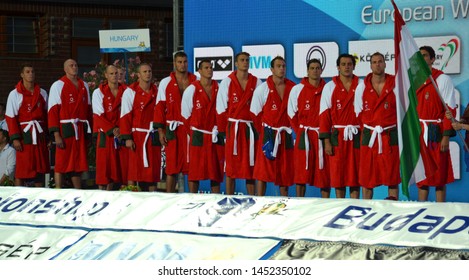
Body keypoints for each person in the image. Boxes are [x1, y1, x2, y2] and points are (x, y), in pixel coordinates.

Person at [354, 52, 400, 200]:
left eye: (380, 61)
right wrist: (370, 128)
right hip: (370, 135)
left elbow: (402, 110)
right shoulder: (362, 87)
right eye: (374, 62)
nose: (377, 64)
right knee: (367, 178)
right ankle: (367, 212)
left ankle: (393, 210)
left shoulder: (395, 84)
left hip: (389, 135)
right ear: (370, 65)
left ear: (385, 64)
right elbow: (358, 112)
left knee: (392, 178)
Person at [217, 52, 262, 195]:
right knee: (231, 167)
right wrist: (224, 132)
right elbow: (221, 108)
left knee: (250, 165)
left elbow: (260, 107)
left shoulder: (257, 82)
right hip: (233, 129)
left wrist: (259, 129)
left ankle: (252, 198)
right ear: (236, 63)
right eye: (242, 60)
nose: (245, 62)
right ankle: (229, 198)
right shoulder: (227, 82)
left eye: (247, 60)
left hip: (250, 128)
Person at [319, 54, 363, 199]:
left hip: (357, 136)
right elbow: (324, 115)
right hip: (337, 137)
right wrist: (326, 141)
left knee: (355, 175)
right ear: (338, 67)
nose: (346, 67)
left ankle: (356, 206)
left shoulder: (362, 85)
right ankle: (340, 206)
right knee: (339, 175)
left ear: (354, 66)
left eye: (349, 64)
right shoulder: (329, 87)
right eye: (343, 64)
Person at [250, 56, 296, 196]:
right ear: (271, 69)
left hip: (285, 133)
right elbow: (254, 113)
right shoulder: (262, 89)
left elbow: (296, 111)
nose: (282, 69)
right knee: (263, 171)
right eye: (278, 66)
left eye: (283, 66)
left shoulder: (292, 88)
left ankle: (284, 201)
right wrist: (265, 132)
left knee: (285, 170)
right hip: (268, 132)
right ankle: (259, 200)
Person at [416, 46, 456, 202]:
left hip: (437, 132)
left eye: (425, 56)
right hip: (419, 132)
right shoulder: (414, 80)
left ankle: (441, 210)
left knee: (439, 176)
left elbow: (450, 109)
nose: (422, 59)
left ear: (432, 59)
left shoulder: (442, 79)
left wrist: (446, 136)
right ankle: (421, 210)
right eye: (419, 57)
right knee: (422, 176)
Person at [154, 51, 197, 193]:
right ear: (174, 63)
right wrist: (160, 131)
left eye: (184, 62)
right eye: (179, 62)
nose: (182, 65)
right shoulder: (165, 83)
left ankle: (193, 197)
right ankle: (169, 199)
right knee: (171, 167)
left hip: (189, 129)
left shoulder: (195, 80)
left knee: (191, 166)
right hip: (172, 129)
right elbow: (160, 107)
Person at [288, 59, 330, 198]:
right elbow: (291, 113)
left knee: (324, 173)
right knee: (301, 173)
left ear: (321, 70)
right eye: (312, 68)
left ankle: (326, 204)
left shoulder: (328, 88)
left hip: (321, 136)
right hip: (304, 136)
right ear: (307, 70)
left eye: (318, 68)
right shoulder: (297, 89)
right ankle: (300, 202)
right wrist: (300, 131)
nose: (315, 70)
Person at [181, 59, 224, 193]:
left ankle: (216, 199)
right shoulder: (192, 89)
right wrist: (194, 132)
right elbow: (185, 114)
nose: (209, 70)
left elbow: (224, 110)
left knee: (215, 170)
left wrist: (220, 130)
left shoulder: (219, 88)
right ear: (199, 71)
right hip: (198, 134)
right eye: (206, 68)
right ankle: (193, 198)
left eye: (211, 67)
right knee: (195, 170)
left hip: (214, 135)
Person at [48, 59, 92, 189]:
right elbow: (53, 110)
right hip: (65, 128)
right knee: (61, 161)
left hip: (80, 128)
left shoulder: (84, 85)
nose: (74, 67)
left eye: (76, 65)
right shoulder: (58, 85)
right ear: (65, 69)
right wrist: (56, 134)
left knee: (77, 161)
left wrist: (89, 131)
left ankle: (77, 190)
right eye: (71, 65)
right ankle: (58, 190)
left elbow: (88, 109)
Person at [5, 64, 50, 187]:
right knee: (22, 168)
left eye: (32, 71)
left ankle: (39, 195)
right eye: (27, 71)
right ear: (22, 75)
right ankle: (19, 194)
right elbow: (10, 117)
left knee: (39, 167)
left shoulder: (42, 93)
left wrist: (47, 137)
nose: (30, 74)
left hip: (39, 134)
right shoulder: (15, 94)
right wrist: (15, 138)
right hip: (25, 135)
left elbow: (46, 117)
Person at [120, 63, 161, 191]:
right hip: (137, 136)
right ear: (138, 75)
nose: (148, 73)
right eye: (144, 72)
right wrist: (127, 137)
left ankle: (152, 198)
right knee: (134, 169)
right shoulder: (130, 91)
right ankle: (131, 196)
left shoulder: (157, 91)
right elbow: (125, 115)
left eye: (149, 71)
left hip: (152, 135)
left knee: (152, 170)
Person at [92, 65, 127, 190]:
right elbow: (98, 115)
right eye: (111, 73)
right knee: (104, 168)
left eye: (116, 73)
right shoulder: (99, 92)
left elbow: (128, 112)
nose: (114, 76)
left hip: (122, 134)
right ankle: (101, 196)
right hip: (106, 135)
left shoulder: (126, 91)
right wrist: (113, 129)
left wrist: (122, 128)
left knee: (120, 168)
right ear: (106, 75)